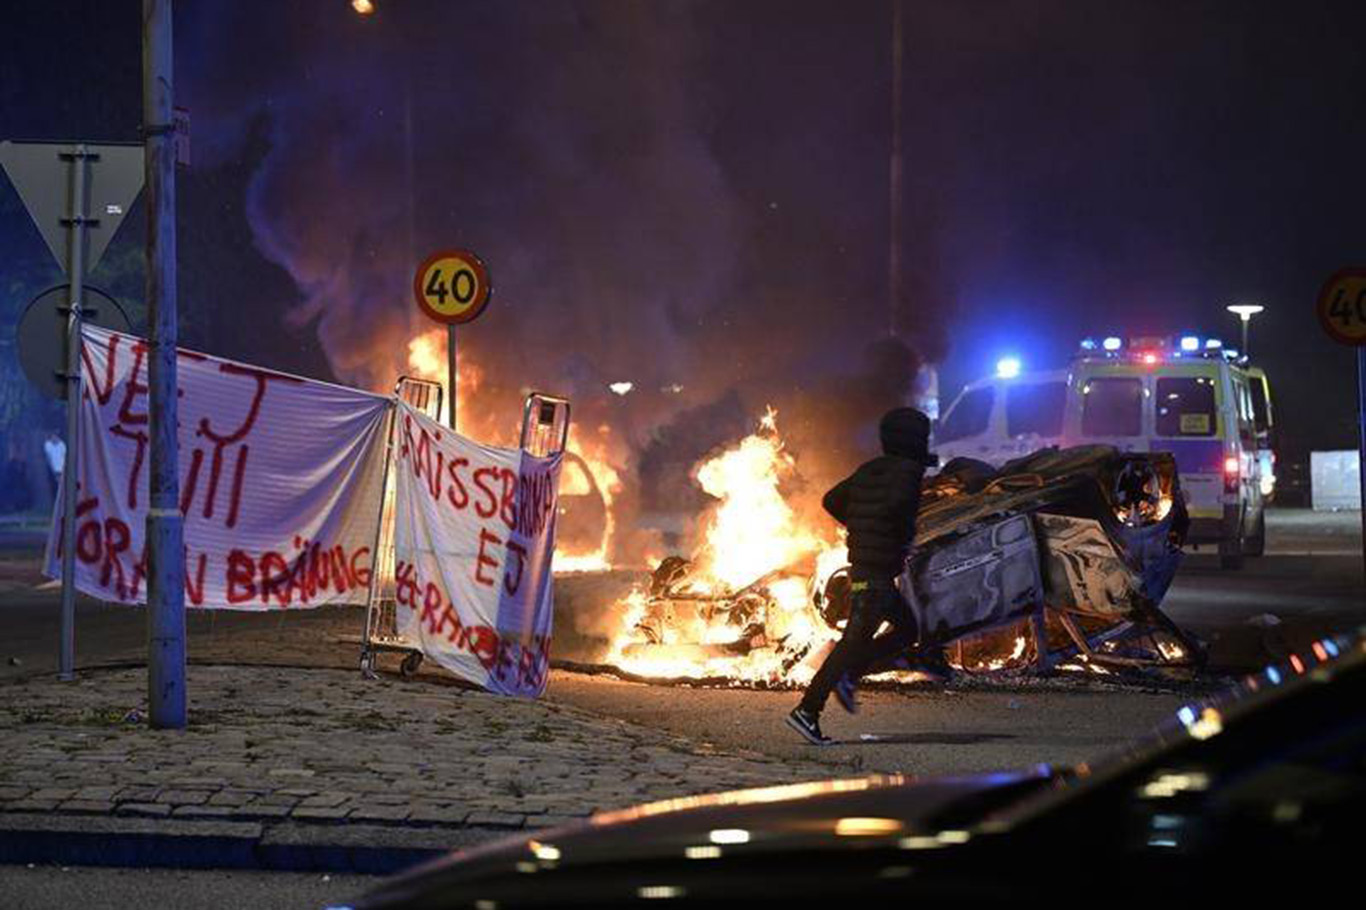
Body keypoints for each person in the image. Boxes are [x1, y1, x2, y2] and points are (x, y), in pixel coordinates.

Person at [786, 407, 935, 745]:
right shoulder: (908, 472)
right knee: (851, 645)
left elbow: (832, 500)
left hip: (866, 569)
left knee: (907, 629)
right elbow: (898, 504)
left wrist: (861, 524)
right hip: (876, 575)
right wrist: (897, 533)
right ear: (915, 439)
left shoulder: (871, 468)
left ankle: (848, 673)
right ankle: (808, 710)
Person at [43, 431, 66, 501]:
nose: (54, 438)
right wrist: (52, 470)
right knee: (54, 487)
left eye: (55, 436)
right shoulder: (48, 445)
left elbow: (64, 457)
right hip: (52, 469)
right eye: (52, 436)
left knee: (61, 486)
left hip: (61, 469)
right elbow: (48, 458)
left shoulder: (62, 445)